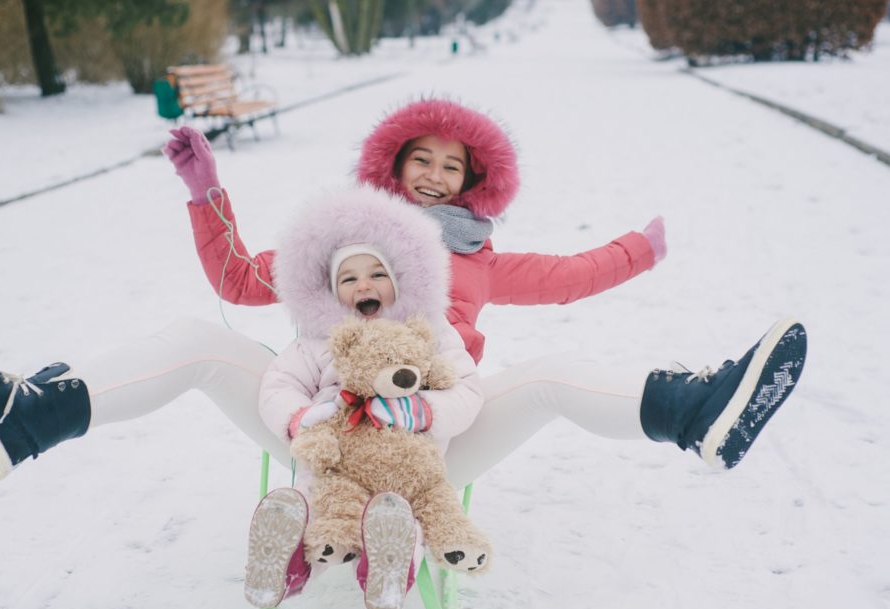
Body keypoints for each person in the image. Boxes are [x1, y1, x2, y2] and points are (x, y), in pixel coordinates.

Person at [170, 97, 807, 485]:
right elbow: (239, 280)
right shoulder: (341, 240)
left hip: (433, 425)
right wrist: (206, 193)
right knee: (196, 343)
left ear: (470, 184)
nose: (434, 175)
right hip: (326, 421)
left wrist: (639, 249)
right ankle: (73, 400)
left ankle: (694, 413)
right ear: (395, 164)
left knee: (553, 375)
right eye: (422, 159)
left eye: (452, 167)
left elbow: (567, 276)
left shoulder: (475, 259)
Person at [242, 185, 481, 609]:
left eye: (377, 274)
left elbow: (465, 387)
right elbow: (279, 384)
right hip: (337, 453)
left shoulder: (429, 331)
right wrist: (301, 418)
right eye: (348, 279)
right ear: (331, 292)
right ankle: (285, 562)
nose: (363, 285)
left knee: (402, 511)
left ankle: (387, 571)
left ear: (400, 279)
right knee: (315, 497)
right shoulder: (319, 341)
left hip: (409, 454)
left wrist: (425, 411)